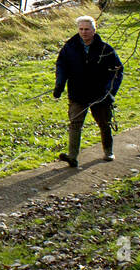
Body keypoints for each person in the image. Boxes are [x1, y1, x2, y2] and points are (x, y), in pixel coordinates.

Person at [53, 15, 124, 167]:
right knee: (75, 124)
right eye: (81, 29)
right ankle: (72, 157)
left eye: (87, 29)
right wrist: (59, 84)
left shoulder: (106, 49)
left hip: (100, 95)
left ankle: (108, 151)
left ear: (94, 30)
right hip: (78, 93)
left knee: (104, 123)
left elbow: (117, 71)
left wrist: (110, 92)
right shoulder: (69, 47)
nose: (84, 32)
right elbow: (61, 66)